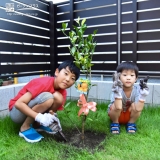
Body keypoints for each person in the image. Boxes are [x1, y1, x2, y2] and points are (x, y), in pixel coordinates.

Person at [9, 60, 80, 142]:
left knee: (58, 97)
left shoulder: (63, 93)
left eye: (72, 78)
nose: (67, 79)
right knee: (48, 97)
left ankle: (37, 124)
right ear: (57, 72)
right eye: (66, 73)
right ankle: (25, 127)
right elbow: (19, 104)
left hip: (28, 110)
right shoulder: (43, 83)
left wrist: (53, 119)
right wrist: (39, 117)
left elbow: (52, 111)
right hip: (17, 112)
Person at [107, 61, 149, 134]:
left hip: (129, 116)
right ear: (119, 77)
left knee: (134, 105)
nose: (128, 78)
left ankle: (131, 123)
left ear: (136, 78)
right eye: (125, 75)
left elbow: (138, 109)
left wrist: (143, 96)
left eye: (132, 75)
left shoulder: (137, 90)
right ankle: (115, 123)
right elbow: (118, 107)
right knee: (114, 106)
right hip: (116, 115)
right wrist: (117, 93)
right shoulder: (116, 89)